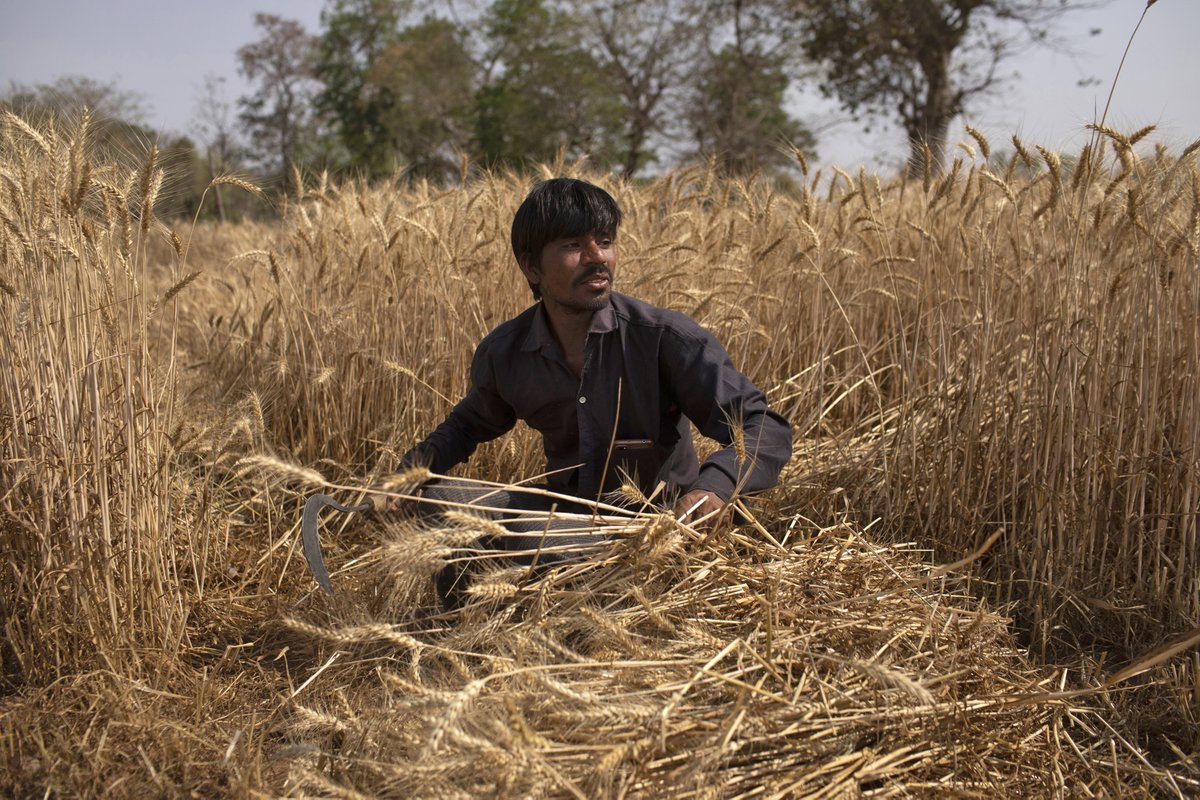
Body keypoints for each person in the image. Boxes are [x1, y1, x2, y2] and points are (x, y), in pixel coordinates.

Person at [376, 178, 792, 600]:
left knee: (525, 538)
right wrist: (409, 473)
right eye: (574, 245)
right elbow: (468, 425)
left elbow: (763, 425)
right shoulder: (505, 352)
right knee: (438, 501)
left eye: (605, 241)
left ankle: (532, 596)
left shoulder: (664, 338)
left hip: (651, 531)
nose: (597, 258)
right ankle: (463, 618)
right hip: (562, 516)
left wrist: (714, 488)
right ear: (531, 267)